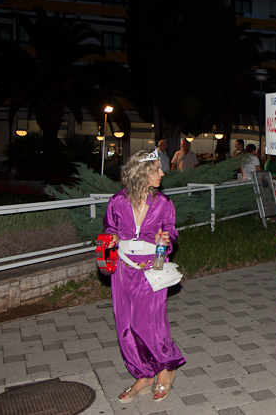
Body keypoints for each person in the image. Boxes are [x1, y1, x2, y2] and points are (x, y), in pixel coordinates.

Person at [103, 149, 185, 403]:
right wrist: (113, 237)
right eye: (157, 169)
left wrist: (165, 240)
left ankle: (165, 369)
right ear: (141, 173)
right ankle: (144, 373)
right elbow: (109, 227)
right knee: (125, 324)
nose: (162, 173)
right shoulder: (117, 201)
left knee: (149, 322)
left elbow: (171, 232)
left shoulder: (163, 203)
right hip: (124, 268)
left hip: (152, 267)